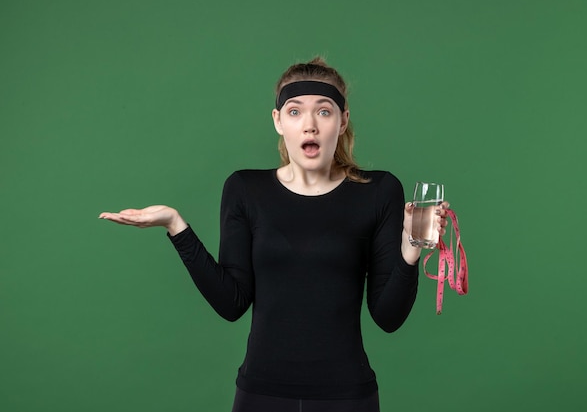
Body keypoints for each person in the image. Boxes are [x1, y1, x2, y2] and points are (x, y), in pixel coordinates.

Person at [99, 57, 449, 412]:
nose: (309, 125)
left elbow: (388, 317)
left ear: (343, 121)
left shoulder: (379, 191)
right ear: (278, 121)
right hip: (261, 394)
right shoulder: (244, 189)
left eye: (324, 112)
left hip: (347, 396)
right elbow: (231, 303)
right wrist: (175, 225)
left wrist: (411, 248)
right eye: (295, 112)